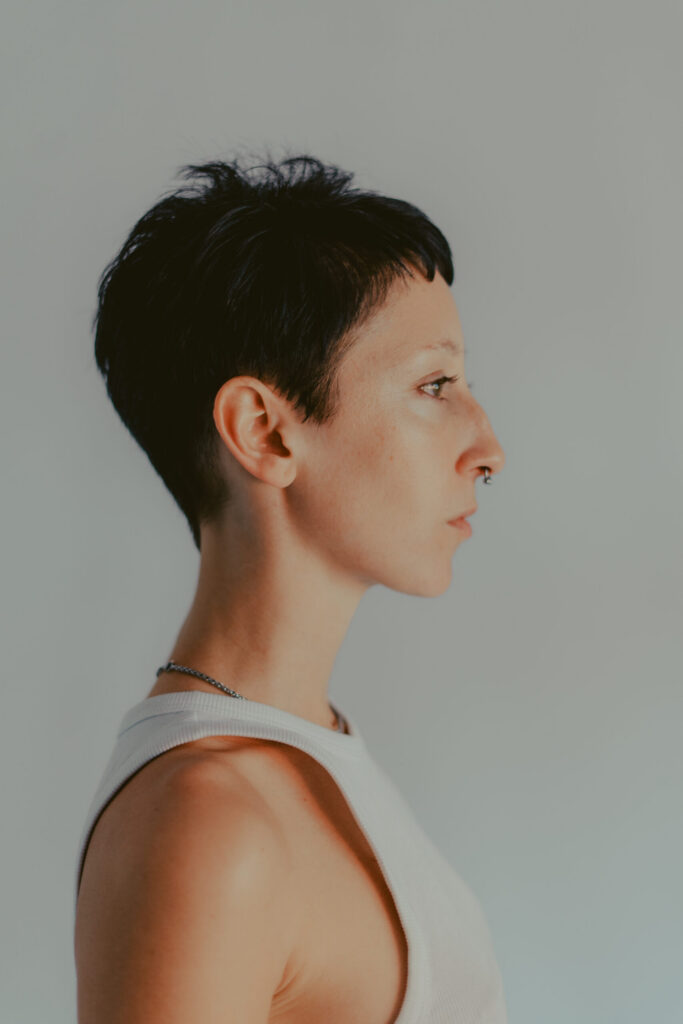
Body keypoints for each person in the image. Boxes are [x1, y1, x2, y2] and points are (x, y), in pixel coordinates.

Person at [73, 150, 507, 1023]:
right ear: (265, 432)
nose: (487, 448)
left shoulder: (302, 756)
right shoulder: (209, 822)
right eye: (433, 385)